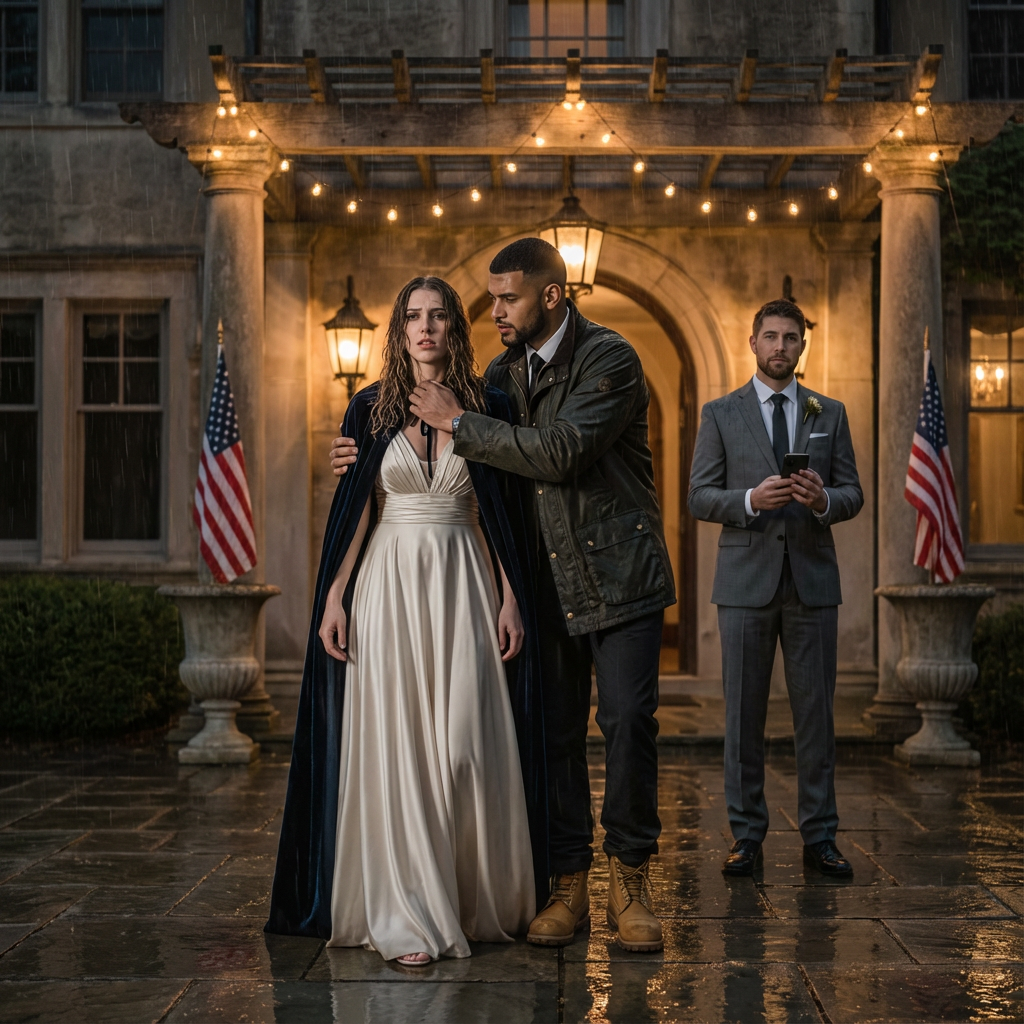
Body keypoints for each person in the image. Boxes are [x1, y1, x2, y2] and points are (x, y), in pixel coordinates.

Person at [331, 239, 675, 952]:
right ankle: (569, 882)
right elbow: (496, 485)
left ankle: (632, 880)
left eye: (507, 298)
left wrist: (455, 421)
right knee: (552, 733)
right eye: (487, 300)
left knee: (628, 722)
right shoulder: (500, 375)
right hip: (544, 578)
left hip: (618, 576)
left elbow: (556, 451)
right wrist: (358, 454)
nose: (495, 312)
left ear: (553, 296)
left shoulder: (610, 358)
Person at [266, 277, 548, 967]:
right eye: (413, 317)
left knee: (463, 744)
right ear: (398, 331)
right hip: (386, 587)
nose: (426, 328)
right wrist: (334, 596)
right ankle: (408, 916)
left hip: (464, 584)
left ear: (456, 326)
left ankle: (472, 899)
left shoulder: (490, 403)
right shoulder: (367, 408)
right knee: (397, 750)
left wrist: (511, 596)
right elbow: (358, 510)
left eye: (439, 316)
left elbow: (500, 514)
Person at [687, 298, 863, 878]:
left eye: (791, 337)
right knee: (743, 719)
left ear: (802, 345)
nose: (780, 346)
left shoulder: (828, 412)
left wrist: (823, 502)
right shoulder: (720, 413)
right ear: (753, 343)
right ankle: (746, 837)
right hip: (744, 583)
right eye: (771, 336)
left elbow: (852, 494)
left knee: (816, 718)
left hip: (813, 582)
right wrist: (747, 500)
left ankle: (820, 838)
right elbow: (698, 496)